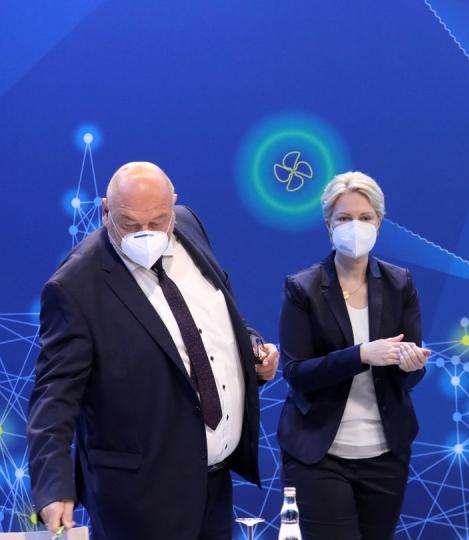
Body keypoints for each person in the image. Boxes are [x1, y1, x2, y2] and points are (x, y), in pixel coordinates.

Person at [28, 162, 279, 539]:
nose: (145, 234)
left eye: (158, 221)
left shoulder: (189, 225)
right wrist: (53, 486)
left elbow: (210, 320)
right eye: (129, 224)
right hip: (138, 500)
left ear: (174, 206)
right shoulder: (74, 287)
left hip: (214, 483)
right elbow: (54, 394)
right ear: (106, 212)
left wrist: (252, 349)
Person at [278, 171, 429, 540]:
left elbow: (409, 373)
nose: (355, 226)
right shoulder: (304, 288)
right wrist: (361, 354)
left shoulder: (400, 283)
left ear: (379, 221)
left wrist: (411, 365)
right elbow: (296, 372)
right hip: (320, 455)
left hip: (385, 454)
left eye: (364, 217)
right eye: (344, 218)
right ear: (328, 224)